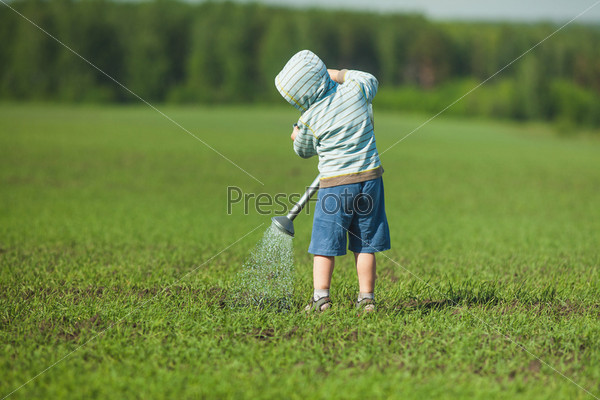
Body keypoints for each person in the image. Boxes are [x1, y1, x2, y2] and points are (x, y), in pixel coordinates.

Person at [275, 50, 391, 313]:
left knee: (324, 245)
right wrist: (338, 74)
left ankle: (321, 299)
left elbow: (303, 151)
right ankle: (367, 299)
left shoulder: (309, 118)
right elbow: (369, 79)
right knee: (365, 244)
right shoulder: (355, 92)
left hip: (335, 186)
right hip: (371, 180)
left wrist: (296, 135)